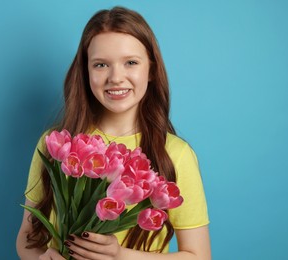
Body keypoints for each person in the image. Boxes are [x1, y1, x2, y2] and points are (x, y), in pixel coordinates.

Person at [16, 6, 210, 260]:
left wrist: (120, 255)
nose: (116, 77)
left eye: (131, 62)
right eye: (101, 65)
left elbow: (199, 256)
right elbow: (27, 239)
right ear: (85, 73)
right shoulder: (57, 144)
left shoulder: (175, 154)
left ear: (150, 70)